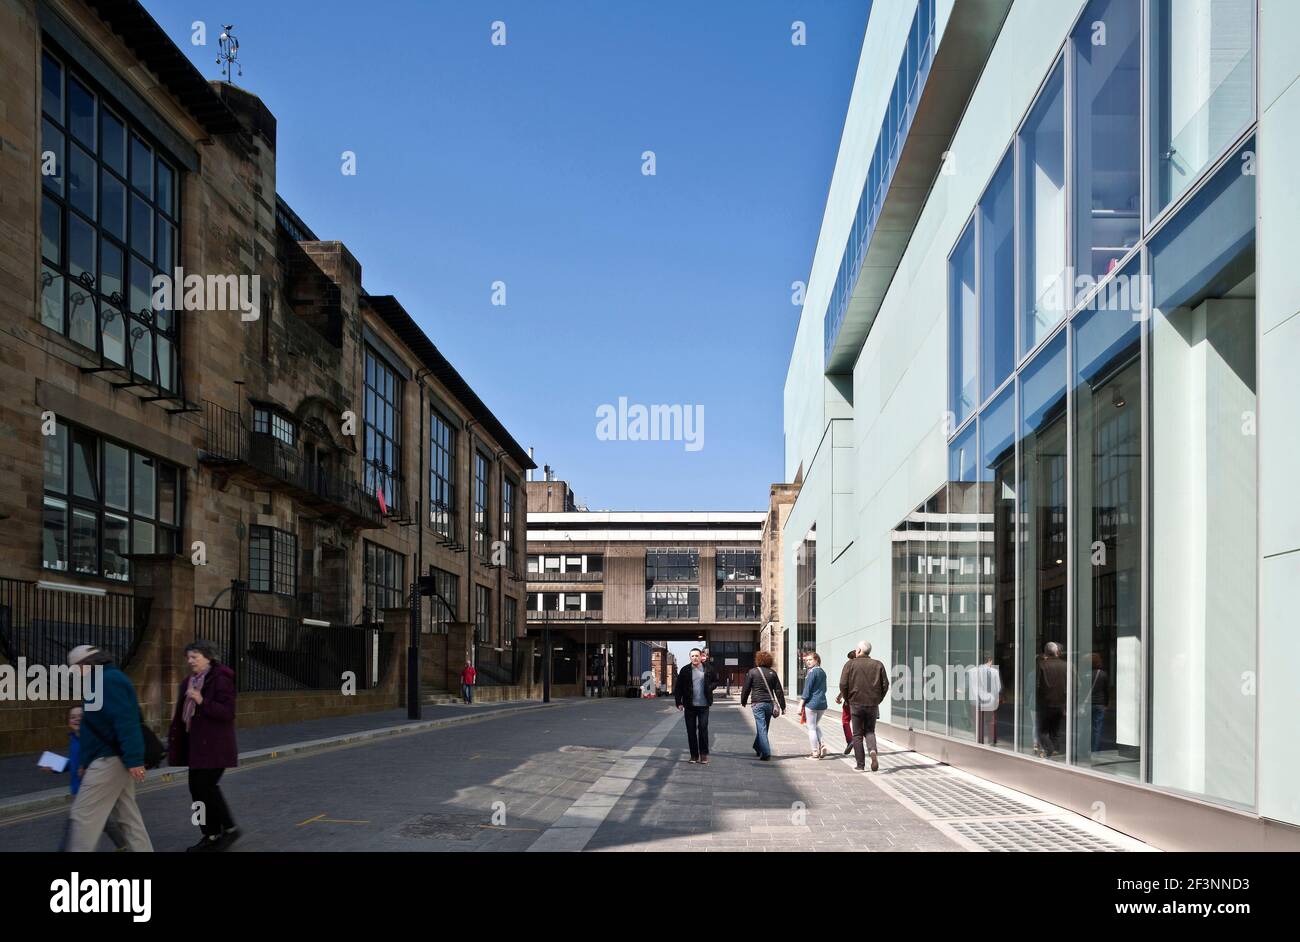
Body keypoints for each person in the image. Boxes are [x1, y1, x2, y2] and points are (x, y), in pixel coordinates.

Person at [65, 645, 153, 852]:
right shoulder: (99, 681)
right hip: (109, 757)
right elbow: (93, 728)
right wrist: (86, 761)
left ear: (87, 664)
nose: (73, 674)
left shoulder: (109, 680)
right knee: (128, 818)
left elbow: (126, 721)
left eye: (74, 668)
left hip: (110, 759)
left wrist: (134, 760)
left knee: (83, 815)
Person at [168, 640, 239, 851]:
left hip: (215, 746)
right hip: (195, 747)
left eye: (195, 657)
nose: (190, 661)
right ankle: (209, 833)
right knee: (196, 791)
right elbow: (181, 718)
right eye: (188, 657)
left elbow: (227, 712)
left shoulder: (221, 680)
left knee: (207, 788)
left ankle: (229, 828)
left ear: (208, 658)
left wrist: (201, 701)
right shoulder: (188, 682)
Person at [44, 706, 128, 852]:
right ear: (68, 721)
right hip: (79, 788)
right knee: (105, 820)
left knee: (74, 822)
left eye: (80, 716)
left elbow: (102, 760)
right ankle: (124, 845)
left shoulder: (90, 739)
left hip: (91, 787)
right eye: (72, 717)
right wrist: (56, 766)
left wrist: (87, 765)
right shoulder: (74, 739)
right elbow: (74, 764)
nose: (76, 719)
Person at [839, 640, 889, 772]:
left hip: (855, 703)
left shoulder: (850, 664)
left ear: (859, 651)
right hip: (872, 703)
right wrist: (878, 699)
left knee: (857, 735)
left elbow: (843, 684)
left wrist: (848, 698)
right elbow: (885, 685)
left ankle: (860, 765)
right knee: (870, 731)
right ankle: (872, 751)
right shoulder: (878, 664)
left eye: (857, 649)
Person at [674, 648, 718, 764]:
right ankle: (694, 755)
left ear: (701, 656)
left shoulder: (708, 668)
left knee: (703, 729)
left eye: (697, 656)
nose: (695, 658)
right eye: (692, 656)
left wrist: (709, 687)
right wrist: (678, 702)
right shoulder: (685, 670)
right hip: (689, 705)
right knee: (691, 731)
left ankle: (703, 755)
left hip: (704, 705)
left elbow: (715, 680)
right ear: (690, 657)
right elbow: (678, 687)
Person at [741, 650, 785, 761]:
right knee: (764, 727)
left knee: (762, 727)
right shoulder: (772, 673)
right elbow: (778, 691)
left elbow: (746, 688)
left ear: (758, 660)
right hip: (769, 704)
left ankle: (765, 753)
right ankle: (757, 746)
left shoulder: (752, 672)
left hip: (757, 703)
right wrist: (783, 706)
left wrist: (743, 700)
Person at [1036, 642, 1067, 758]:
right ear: (1056, 652)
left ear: (1046, 652)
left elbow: (1038, 685)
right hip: (1060, 703)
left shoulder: (1042, 665)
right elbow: (1076, 684)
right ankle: (1055, 751)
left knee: (1042, 731)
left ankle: (1050, 749)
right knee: (1056, 730)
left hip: (1045, 703)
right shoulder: (1066, 665)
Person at [797, 652, 829, 759]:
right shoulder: (822, 672)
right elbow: (824, 689)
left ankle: (815, 752)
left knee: (811, 728)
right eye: (806, 660)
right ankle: (823, 744)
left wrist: (800, 704)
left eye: (810, 659)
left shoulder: (811, 673)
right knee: (815, 725)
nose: (808, 662)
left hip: (812, 703)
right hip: (822, 703)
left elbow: (807, 690)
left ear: (816, 660)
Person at [971, 652, 1002, 746]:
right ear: (989, 660)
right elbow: (998, 687)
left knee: (977, 721)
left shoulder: (973, 671)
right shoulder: (994, 672)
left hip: (977, 700)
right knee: (991, 721)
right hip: (990, 700)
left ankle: (978, 740)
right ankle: (991, 741)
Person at [836, 649, 856, 755]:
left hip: (850, 700)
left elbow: (844, 684)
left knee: (845, 720)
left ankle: (850, 740)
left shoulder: (849, 666)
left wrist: (840, 697)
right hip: (865, 701)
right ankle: (871, 748)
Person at [1088, 653, 1108, 753]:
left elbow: (1082, 690)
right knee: (1097, 728)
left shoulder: (1086, 674)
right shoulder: (1103, 674)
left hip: (1088, 704)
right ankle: (1095, 749)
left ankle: (1086, 747)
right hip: (1099, 703)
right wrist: (1106, 704)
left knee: (1086, 727)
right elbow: (1105, 690)